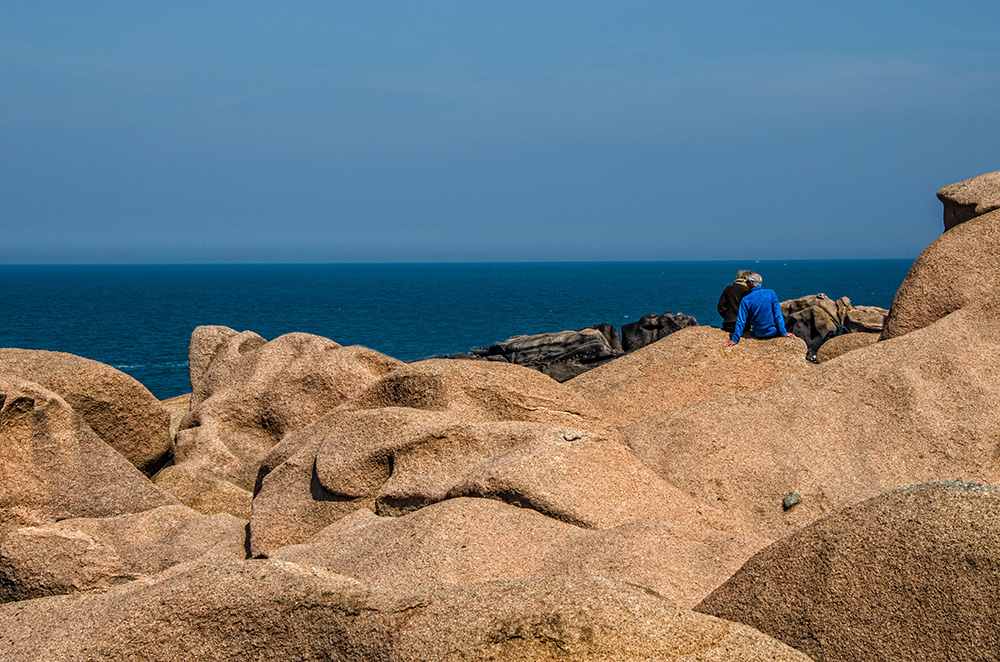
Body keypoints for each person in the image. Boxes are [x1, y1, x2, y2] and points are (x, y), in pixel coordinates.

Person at [725, 273, 798, 346]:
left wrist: (735, 339)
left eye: (747, 282)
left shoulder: (746, 299)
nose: (746, 284)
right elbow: (778, 315)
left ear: (751, 283)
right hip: (774, 332)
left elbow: (741, 321)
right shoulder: (771, 293)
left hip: (759, 333)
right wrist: (784, 332)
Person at [717, 269, 753, 334]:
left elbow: (721, 307)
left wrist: (728, 317)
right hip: (744, 326)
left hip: (728, 325)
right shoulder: (748, 291)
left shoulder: (728, 289)